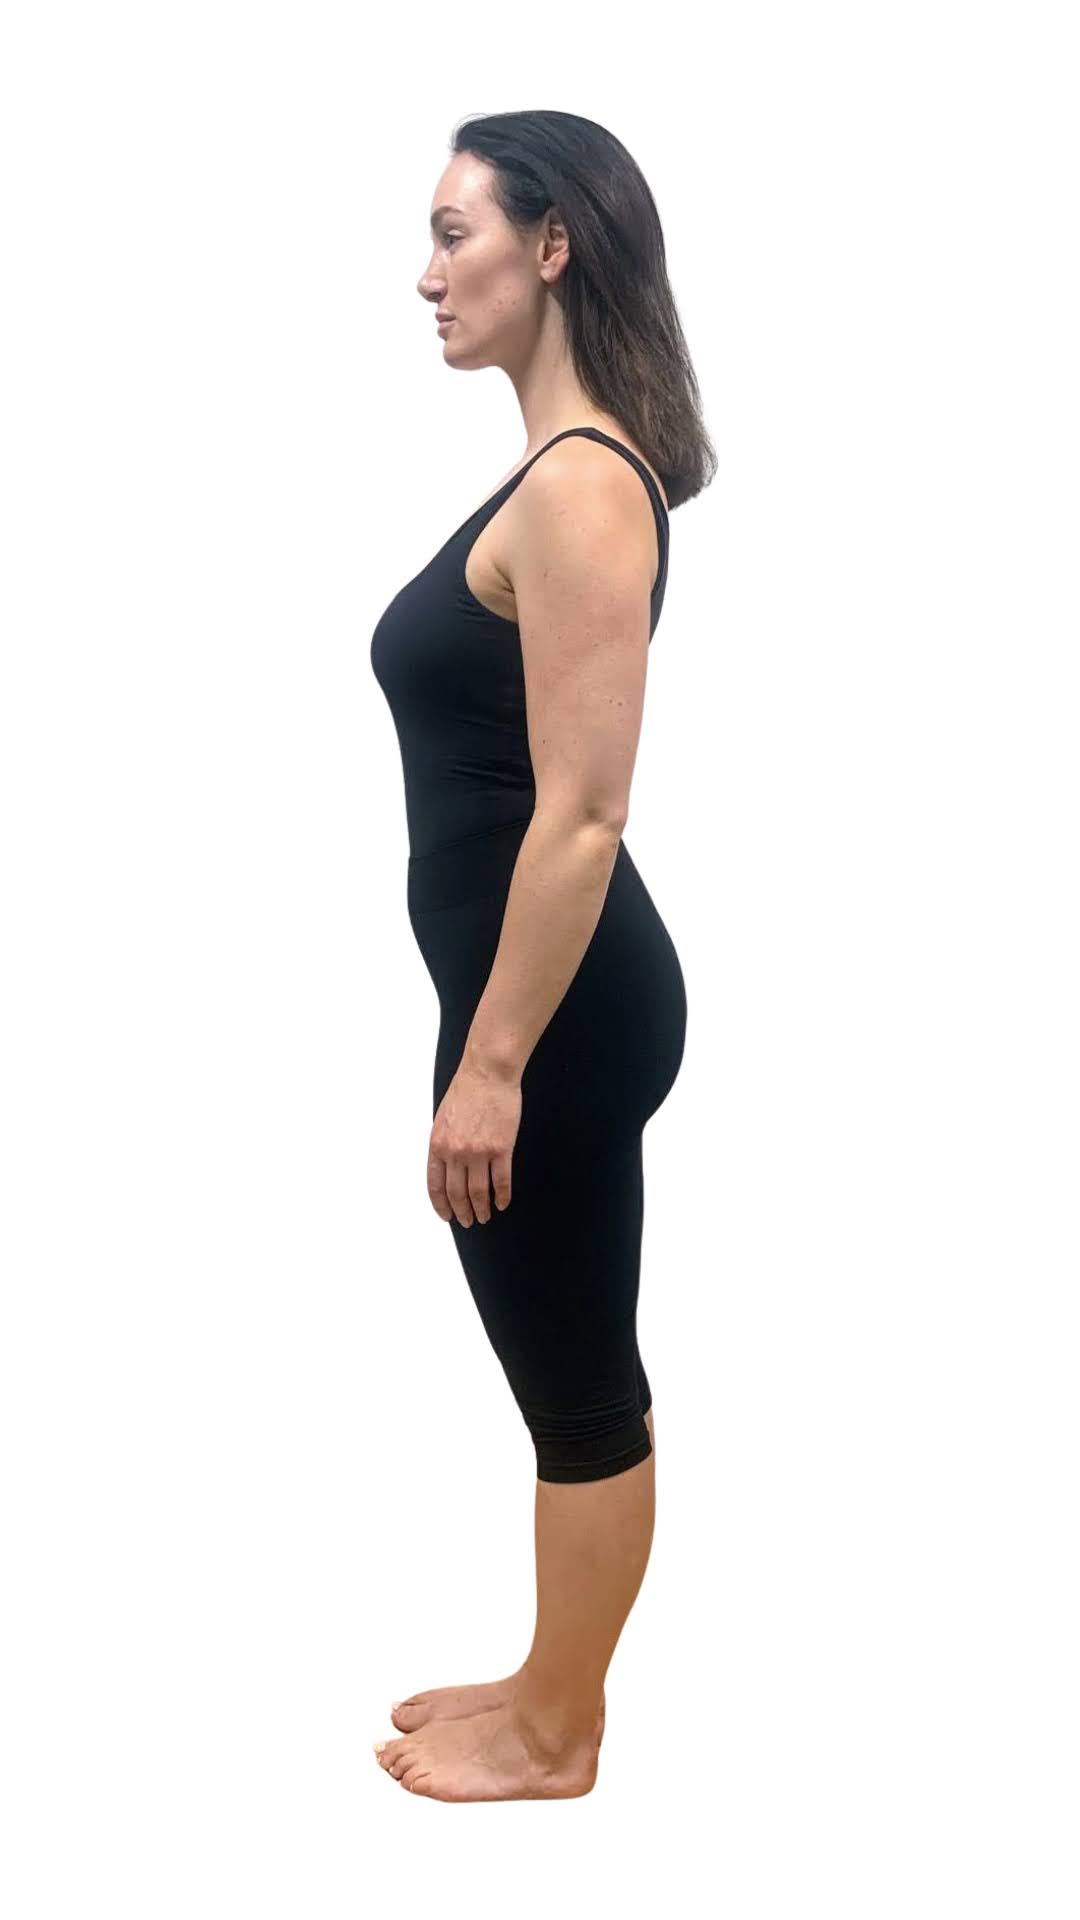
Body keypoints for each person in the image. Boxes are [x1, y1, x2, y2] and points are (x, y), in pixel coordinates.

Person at [369, 109, 715, 1801]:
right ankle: (546, 1676)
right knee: (562, 1351)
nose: (427, 275)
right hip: (536, 1000)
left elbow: (581, 818)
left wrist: (492, 1064)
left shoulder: (581, 490)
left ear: (553, 244)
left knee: (576, 1372)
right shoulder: (557, 476)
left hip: (555, 1012)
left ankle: (560, 1732)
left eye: (456, 234)